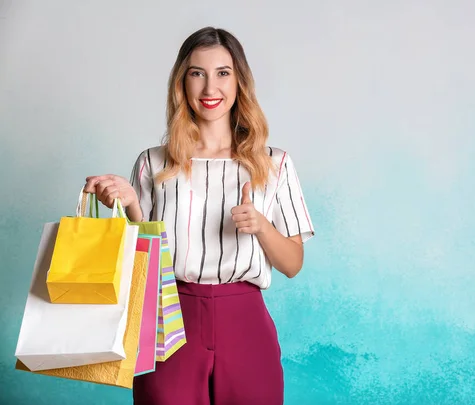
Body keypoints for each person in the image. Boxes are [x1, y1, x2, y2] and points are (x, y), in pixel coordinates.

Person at [83, 26, 315, 405]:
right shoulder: (153, 163)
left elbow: (293, 264)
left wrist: (261, 226)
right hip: (169, 318)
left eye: (223, 73)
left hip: (246, 321)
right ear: (182, 82)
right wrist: (133, 207)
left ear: (240, 81)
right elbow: (142, 268)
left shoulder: (274, 164)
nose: (211, 88)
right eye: (197, 73)